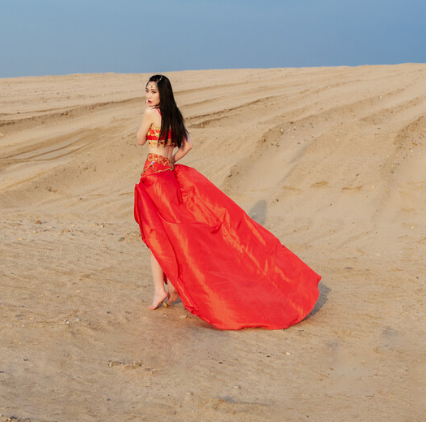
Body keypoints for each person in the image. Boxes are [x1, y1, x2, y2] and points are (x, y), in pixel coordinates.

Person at [133, 74, 321, 330]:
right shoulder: (175, 116)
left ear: (162, 94)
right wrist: (172, 160)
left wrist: (150, 139)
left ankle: (160, 289)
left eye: (153, 91)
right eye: (147, 90)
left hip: (154, 177)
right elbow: (188, 145)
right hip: (169, 176)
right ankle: (172, 288)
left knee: (157, 234)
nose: (149, 95)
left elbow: (140, 140)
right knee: (171, 234)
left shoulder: (151, 113)